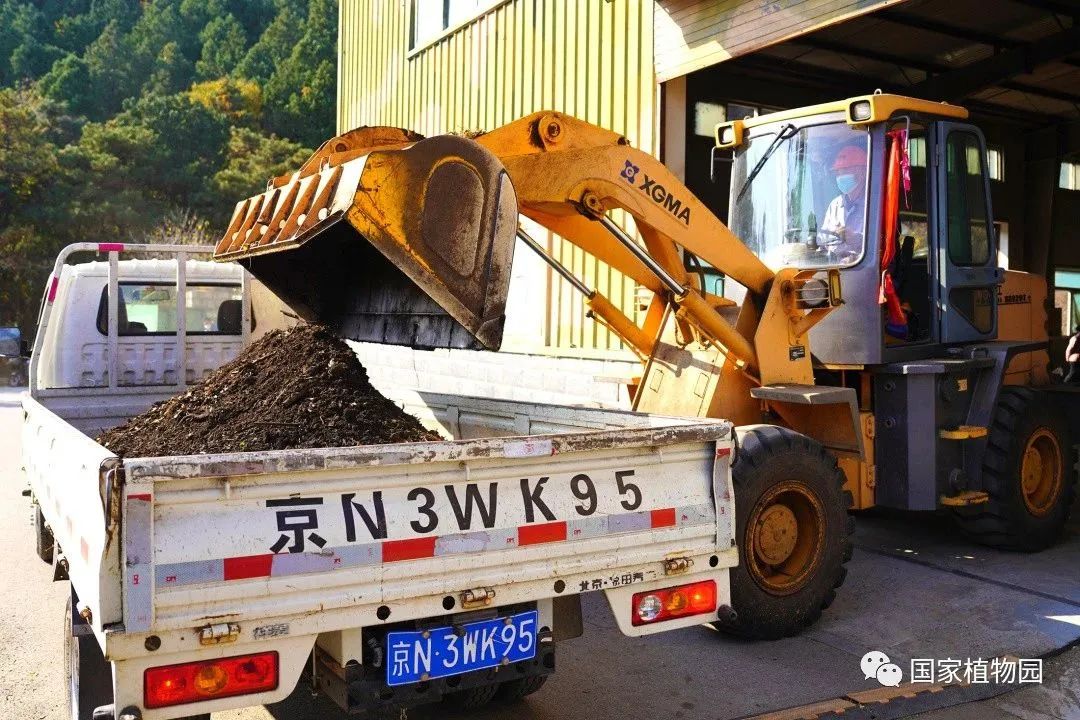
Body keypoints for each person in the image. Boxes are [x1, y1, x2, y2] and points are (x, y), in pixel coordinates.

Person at [821, 144, 868, 259]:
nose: (839, 176)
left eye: (844, 171)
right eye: (837, 172)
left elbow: (878, 245)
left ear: (862, 172)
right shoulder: (835, 205)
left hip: (860, 267)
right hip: (834, 266)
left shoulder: (872, 205)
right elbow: (823, 239)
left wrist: (854, 239)